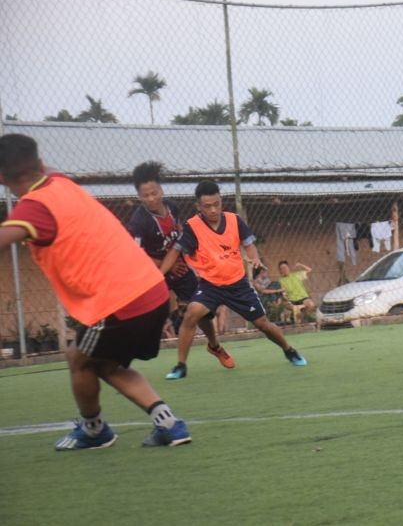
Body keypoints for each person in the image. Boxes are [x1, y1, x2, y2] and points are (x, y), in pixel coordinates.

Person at [0, 133, 191, 449]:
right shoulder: (59, 182)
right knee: (106, 364)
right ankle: (169, 424)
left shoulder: (33, 210)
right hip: (152, 290)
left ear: (3, 178)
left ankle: (94, 431)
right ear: (41, 162)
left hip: (117, 301)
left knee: (79, 359)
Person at [159, 179, 307, 378]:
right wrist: (159, 274)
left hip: (238, 284)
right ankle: (181, 366)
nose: (213, 210)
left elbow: (249, 245)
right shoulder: (193, 227)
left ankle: (289, 350)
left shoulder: (234, 220)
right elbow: (175, 251)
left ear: (221, 201)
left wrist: (254, 258)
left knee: (263, 324)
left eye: (216, 204)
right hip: (210, 285)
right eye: (207, 206)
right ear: (198, 206)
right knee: (191, 313)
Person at [127, 161, 221, 373]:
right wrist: (164, 267)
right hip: (155, 271)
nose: (151, 198)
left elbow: (179, 237)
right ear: (139, 196)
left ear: (161, 190)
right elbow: (135, 255)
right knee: (148, 312)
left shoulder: (173, 207)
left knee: (202, 310)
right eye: (145, 195)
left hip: (178, 266)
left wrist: (179, 260)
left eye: (154, 192)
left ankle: (214, 345)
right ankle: (136, 353)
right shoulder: (138, 222)